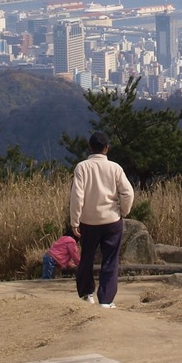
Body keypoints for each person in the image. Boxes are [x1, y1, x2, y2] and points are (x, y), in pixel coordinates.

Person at [69, 131, 135, 309]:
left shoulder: (82, 167)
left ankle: (86, 294)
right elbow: (128, 192)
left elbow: (77, 196)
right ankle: (106, 300)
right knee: (110, 260)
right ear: (107, 148)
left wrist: (75, 221)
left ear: (90, 147)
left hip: (88, 221)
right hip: (112, 220)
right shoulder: (115, 168)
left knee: (86, 258)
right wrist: (123, 211)